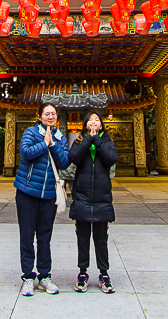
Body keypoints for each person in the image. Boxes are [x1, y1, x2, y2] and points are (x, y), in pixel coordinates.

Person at [14, 102, 70, 296]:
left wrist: (53, 144)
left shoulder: (60, 138)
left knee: (45, 237)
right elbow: (26, 153)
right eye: (46, 114)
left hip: (48, 195)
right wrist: (43, 143)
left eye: (53, 114)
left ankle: (44, 276)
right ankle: (28, 277)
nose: (50, 117)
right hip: (27, 191)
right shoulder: (31, 132)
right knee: (27, 236)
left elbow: (64, 162)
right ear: (39, 116)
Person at [68, 110, 118, 294]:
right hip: (82, 195)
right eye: (90, 120)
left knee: (101, 238)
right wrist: (88, 139)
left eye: (97, 119)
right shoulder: (80, 140)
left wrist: (97, 140)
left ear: (102, 124)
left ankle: (104, 273)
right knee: (82, 238)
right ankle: (82, 272)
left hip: (101, 197)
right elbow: (73, 157)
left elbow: (111, 159)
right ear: (85, 124)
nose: (94, 122)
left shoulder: (107, 141)